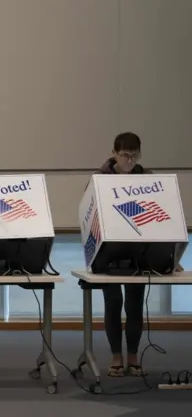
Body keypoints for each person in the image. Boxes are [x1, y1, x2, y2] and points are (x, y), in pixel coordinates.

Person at [96, 132, 151, 377]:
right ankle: (116, 356)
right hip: (108, 250)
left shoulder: (147, 179)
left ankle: (133, 356)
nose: (130, 160)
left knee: (134, 304)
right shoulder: (99, 179)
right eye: (125, 155)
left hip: (137, 250)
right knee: (114, 302)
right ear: (114, 153)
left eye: (134, 155)